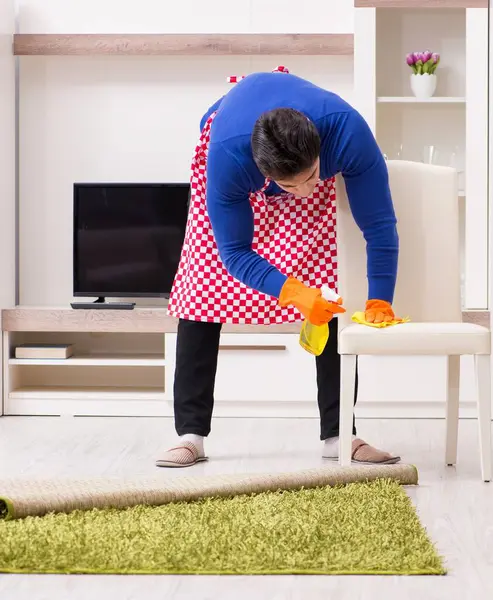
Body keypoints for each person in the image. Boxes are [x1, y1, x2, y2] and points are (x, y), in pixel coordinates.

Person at [158, 67, 400, 468]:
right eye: (292, 187)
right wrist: (295, 295)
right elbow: (234, 253)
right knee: (200, 291)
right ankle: (190, 434)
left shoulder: (349, 135)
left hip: (314, 148)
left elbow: (379, 226)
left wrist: (380, 299)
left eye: (310, 179)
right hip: (232, 147)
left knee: (329, 289)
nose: (304, 192)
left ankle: (340, 433)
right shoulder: (228, 161)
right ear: (264, 175)